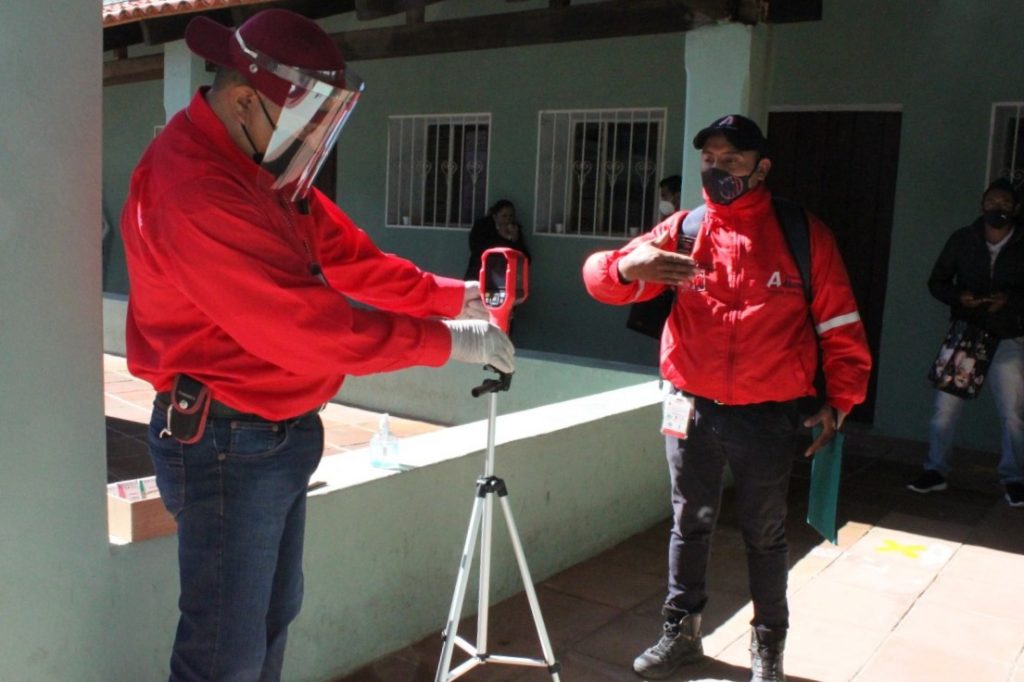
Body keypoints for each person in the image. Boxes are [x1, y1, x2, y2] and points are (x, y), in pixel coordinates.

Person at [119, 10, 514, 681]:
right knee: (226, 651)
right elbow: (309, 328)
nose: (310, 138)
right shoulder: (194, 187)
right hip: (224, 444)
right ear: (245, 98)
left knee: (268, 623)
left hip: (273, 434)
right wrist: (446, 342)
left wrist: (453, 297)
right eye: (302, 117)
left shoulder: (254, 163)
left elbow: (345, 256)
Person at [582, 114, 871, 682]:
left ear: (761, 168)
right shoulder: (685, 229)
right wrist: (621, 267)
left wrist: (839, 402)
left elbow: (841, 326)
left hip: (766, 415)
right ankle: (680, 636)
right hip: (690, 405)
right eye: (709, 161)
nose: (718, 170)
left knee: (765, 533)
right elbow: (601, 276)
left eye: (731, 160)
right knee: (689, 523)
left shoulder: (802, 234)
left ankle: (768, 650)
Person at [907, 178, 1024, 507]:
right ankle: (935, 471)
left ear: (1015, 208)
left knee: (1013, 413)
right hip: (966, 332)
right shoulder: (964, 239)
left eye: (1004, 204)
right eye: (991, 202)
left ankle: (1015, 478)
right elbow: (937, 281)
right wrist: (960, 296)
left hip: (1009, 333)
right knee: (944, 409)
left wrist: (1010, 300)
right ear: (981, 206)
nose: (997, 209)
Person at [464, 199, 531, 280]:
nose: (507, 220)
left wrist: (515, 241)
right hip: (480, 273)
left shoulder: (515, 230)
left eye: (511, 216)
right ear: (495, 216)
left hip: (503, 276)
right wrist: (501, 236)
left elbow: (526, 259)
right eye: (504, 216)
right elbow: (477, 249)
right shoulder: (482, 227)